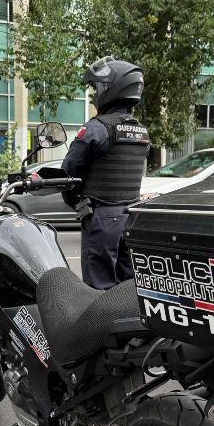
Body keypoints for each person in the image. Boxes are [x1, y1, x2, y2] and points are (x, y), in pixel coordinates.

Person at [62, 56, 150, 290]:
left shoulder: (96, 128)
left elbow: (69, 174)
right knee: (129, 287)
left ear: (109, 88)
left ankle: (99, 327)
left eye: (97, 87)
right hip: (131, 215)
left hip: (102, 218)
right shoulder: (141, 132)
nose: (94, 94)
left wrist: (76, 202)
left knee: (98, 288)